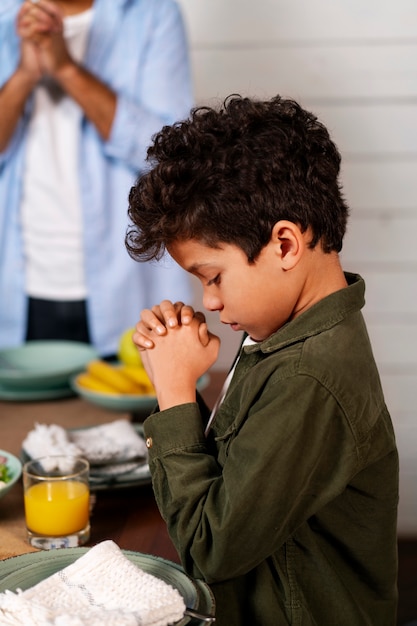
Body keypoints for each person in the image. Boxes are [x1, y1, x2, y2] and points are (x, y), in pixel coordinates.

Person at [125, 94, 399, 626]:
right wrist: (191, 382)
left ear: (285, 244)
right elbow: (242, 472)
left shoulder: (309, 375)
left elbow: (210, 551)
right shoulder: (287, 338)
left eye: (213, 276)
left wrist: (176, 393)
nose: (208, 300)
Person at [0, 0, 193, 356]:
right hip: (16, 293)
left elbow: (171, 157)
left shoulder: (151, 12)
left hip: (127, 289)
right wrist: (25, 75)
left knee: (134, 410)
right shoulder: (5, 15)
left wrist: (65, 69)